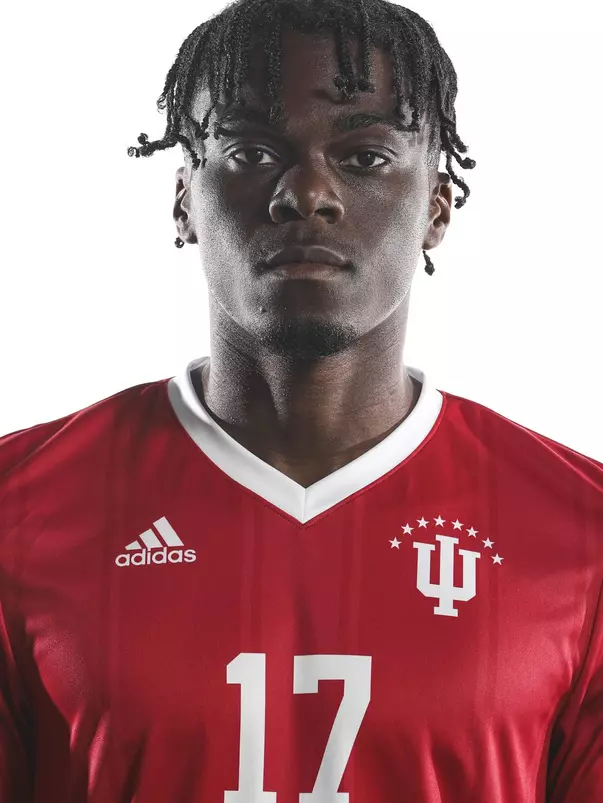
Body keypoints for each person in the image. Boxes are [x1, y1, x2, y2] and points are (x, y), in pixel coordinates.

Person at [0, 0, 601, 800]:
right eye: (250, 151)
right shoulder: (19, 509)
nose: (306, 192)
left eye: (365, 157)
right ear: (183, 198)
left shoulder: (580, 531)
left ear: (437, 206)